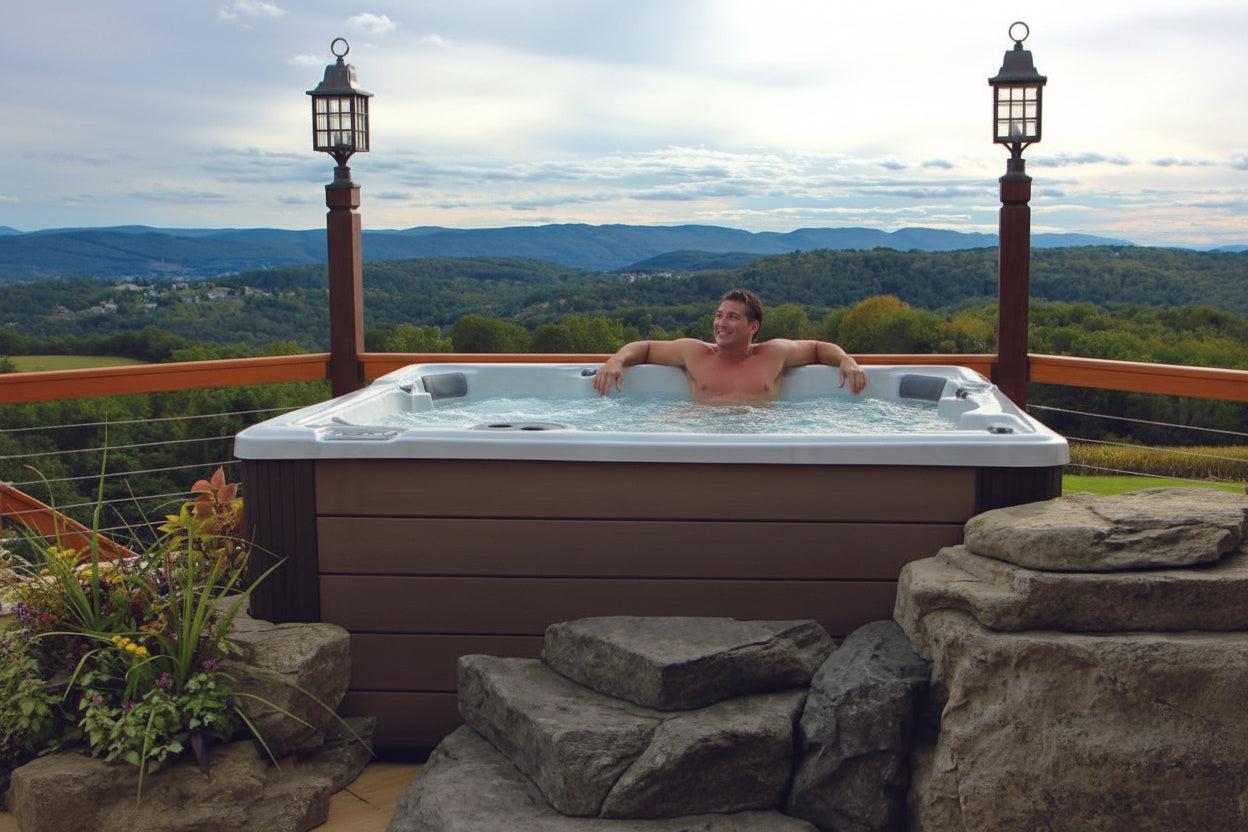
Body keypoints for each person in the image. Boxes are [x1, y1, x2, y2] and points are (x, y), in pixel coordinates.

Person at [592, 288, 867, 403]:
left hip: (758, 444)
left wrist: (846, 360)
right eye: (718, 315)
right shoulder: (694, 352)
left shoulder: (774, 353)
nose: (721, 323)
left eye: (732, 317)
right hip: (701, 436)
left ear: (753, 327)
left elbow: (818, 348)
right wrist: (616, 360)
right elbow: (646, 348)